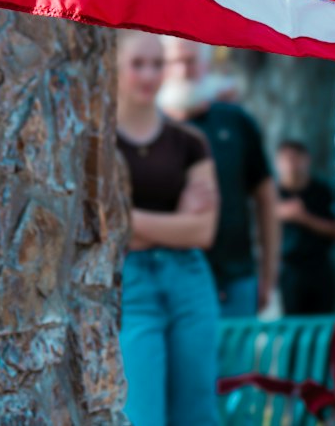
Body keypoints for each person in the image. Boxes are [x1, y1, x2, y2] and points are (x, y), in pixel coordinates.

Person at [114, 30, 220, 426]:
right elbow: (106, 228)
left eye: (157, 64)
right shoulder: (100, 142)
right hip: (132, 286)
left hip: (190, 282)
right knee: (142, 416)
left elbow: (202, 232)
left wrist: (130, 218)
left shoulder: (190, 142)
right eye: (138, 64)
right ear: (115, 67)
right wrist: (175, 219)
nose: (149, 74)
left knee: (197, 415)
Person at [160, 36, 279, 317]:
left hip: (235, 279)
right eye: (174, 62)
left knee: (236, 360)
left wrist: (269, 274)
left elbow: (266, 197)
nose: (182, 70)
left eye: (190, 61)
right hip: (168, 277)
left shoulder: (235, 121)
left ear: (205, 63)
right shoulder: (151, 125)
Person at [274, 137, 335, 315]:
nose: (291, 164)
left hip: (320, 268)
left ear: (307, 159)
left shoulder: (322, 191)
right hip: (287, 270)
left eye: (296, 157)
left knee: (325, 327)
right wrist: (276, 213)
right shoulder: (272, 196)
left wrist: (304, 218)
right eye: (286, 159)